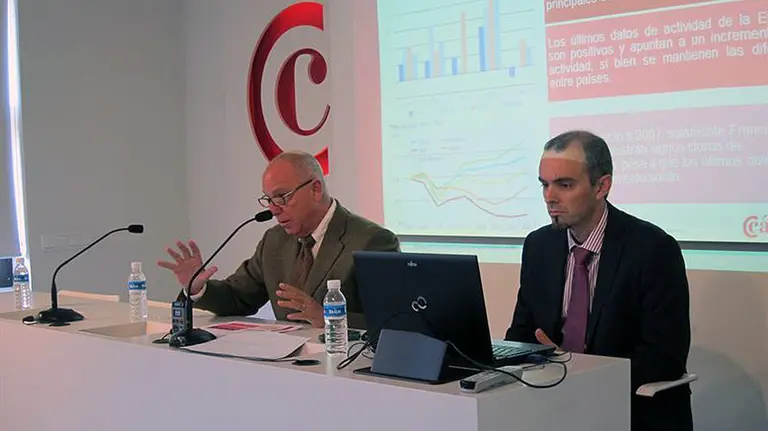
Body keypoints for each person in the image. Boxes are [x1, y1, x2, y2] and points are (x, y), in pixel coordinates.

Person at [505, 131, 692, 431]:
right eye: (545, 184)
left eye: (564, 185)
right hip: (553, 405)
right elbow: (522, 334)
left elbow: (665, 357)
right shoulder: (539, 246)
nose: (549, 197)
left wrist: (575, 368)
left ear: (601, 186)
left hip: (630, 409)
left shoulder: (652, 249)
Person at [158, 150, 400, 329]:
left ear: (316, 189)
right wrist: (199, 287)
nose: (274, 209)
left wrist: (329, 316)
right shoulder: (274, 240)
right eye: (269, 199)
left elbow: (397, 322)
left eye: (282, 197)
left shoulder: (372, 241)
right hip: (287, 370)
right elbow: (239, 298)